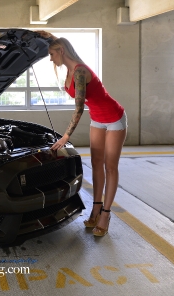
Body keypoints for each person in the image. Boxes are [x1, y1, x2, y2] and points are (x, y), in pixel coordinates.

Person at [38, 31, 127, 237]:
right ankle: (96, 208)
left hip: (114, 117)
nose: (51, 59)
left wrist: (66, 136)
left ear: (61, 51)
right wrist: (44, 36)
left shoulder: (79, 72)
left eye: (52, 54)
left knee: (110, 166)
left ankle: (105, 213)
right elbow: (58, 43)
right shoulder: (69, 70)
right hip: (97, 119)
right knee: (96, 164)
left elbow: (79, 108)